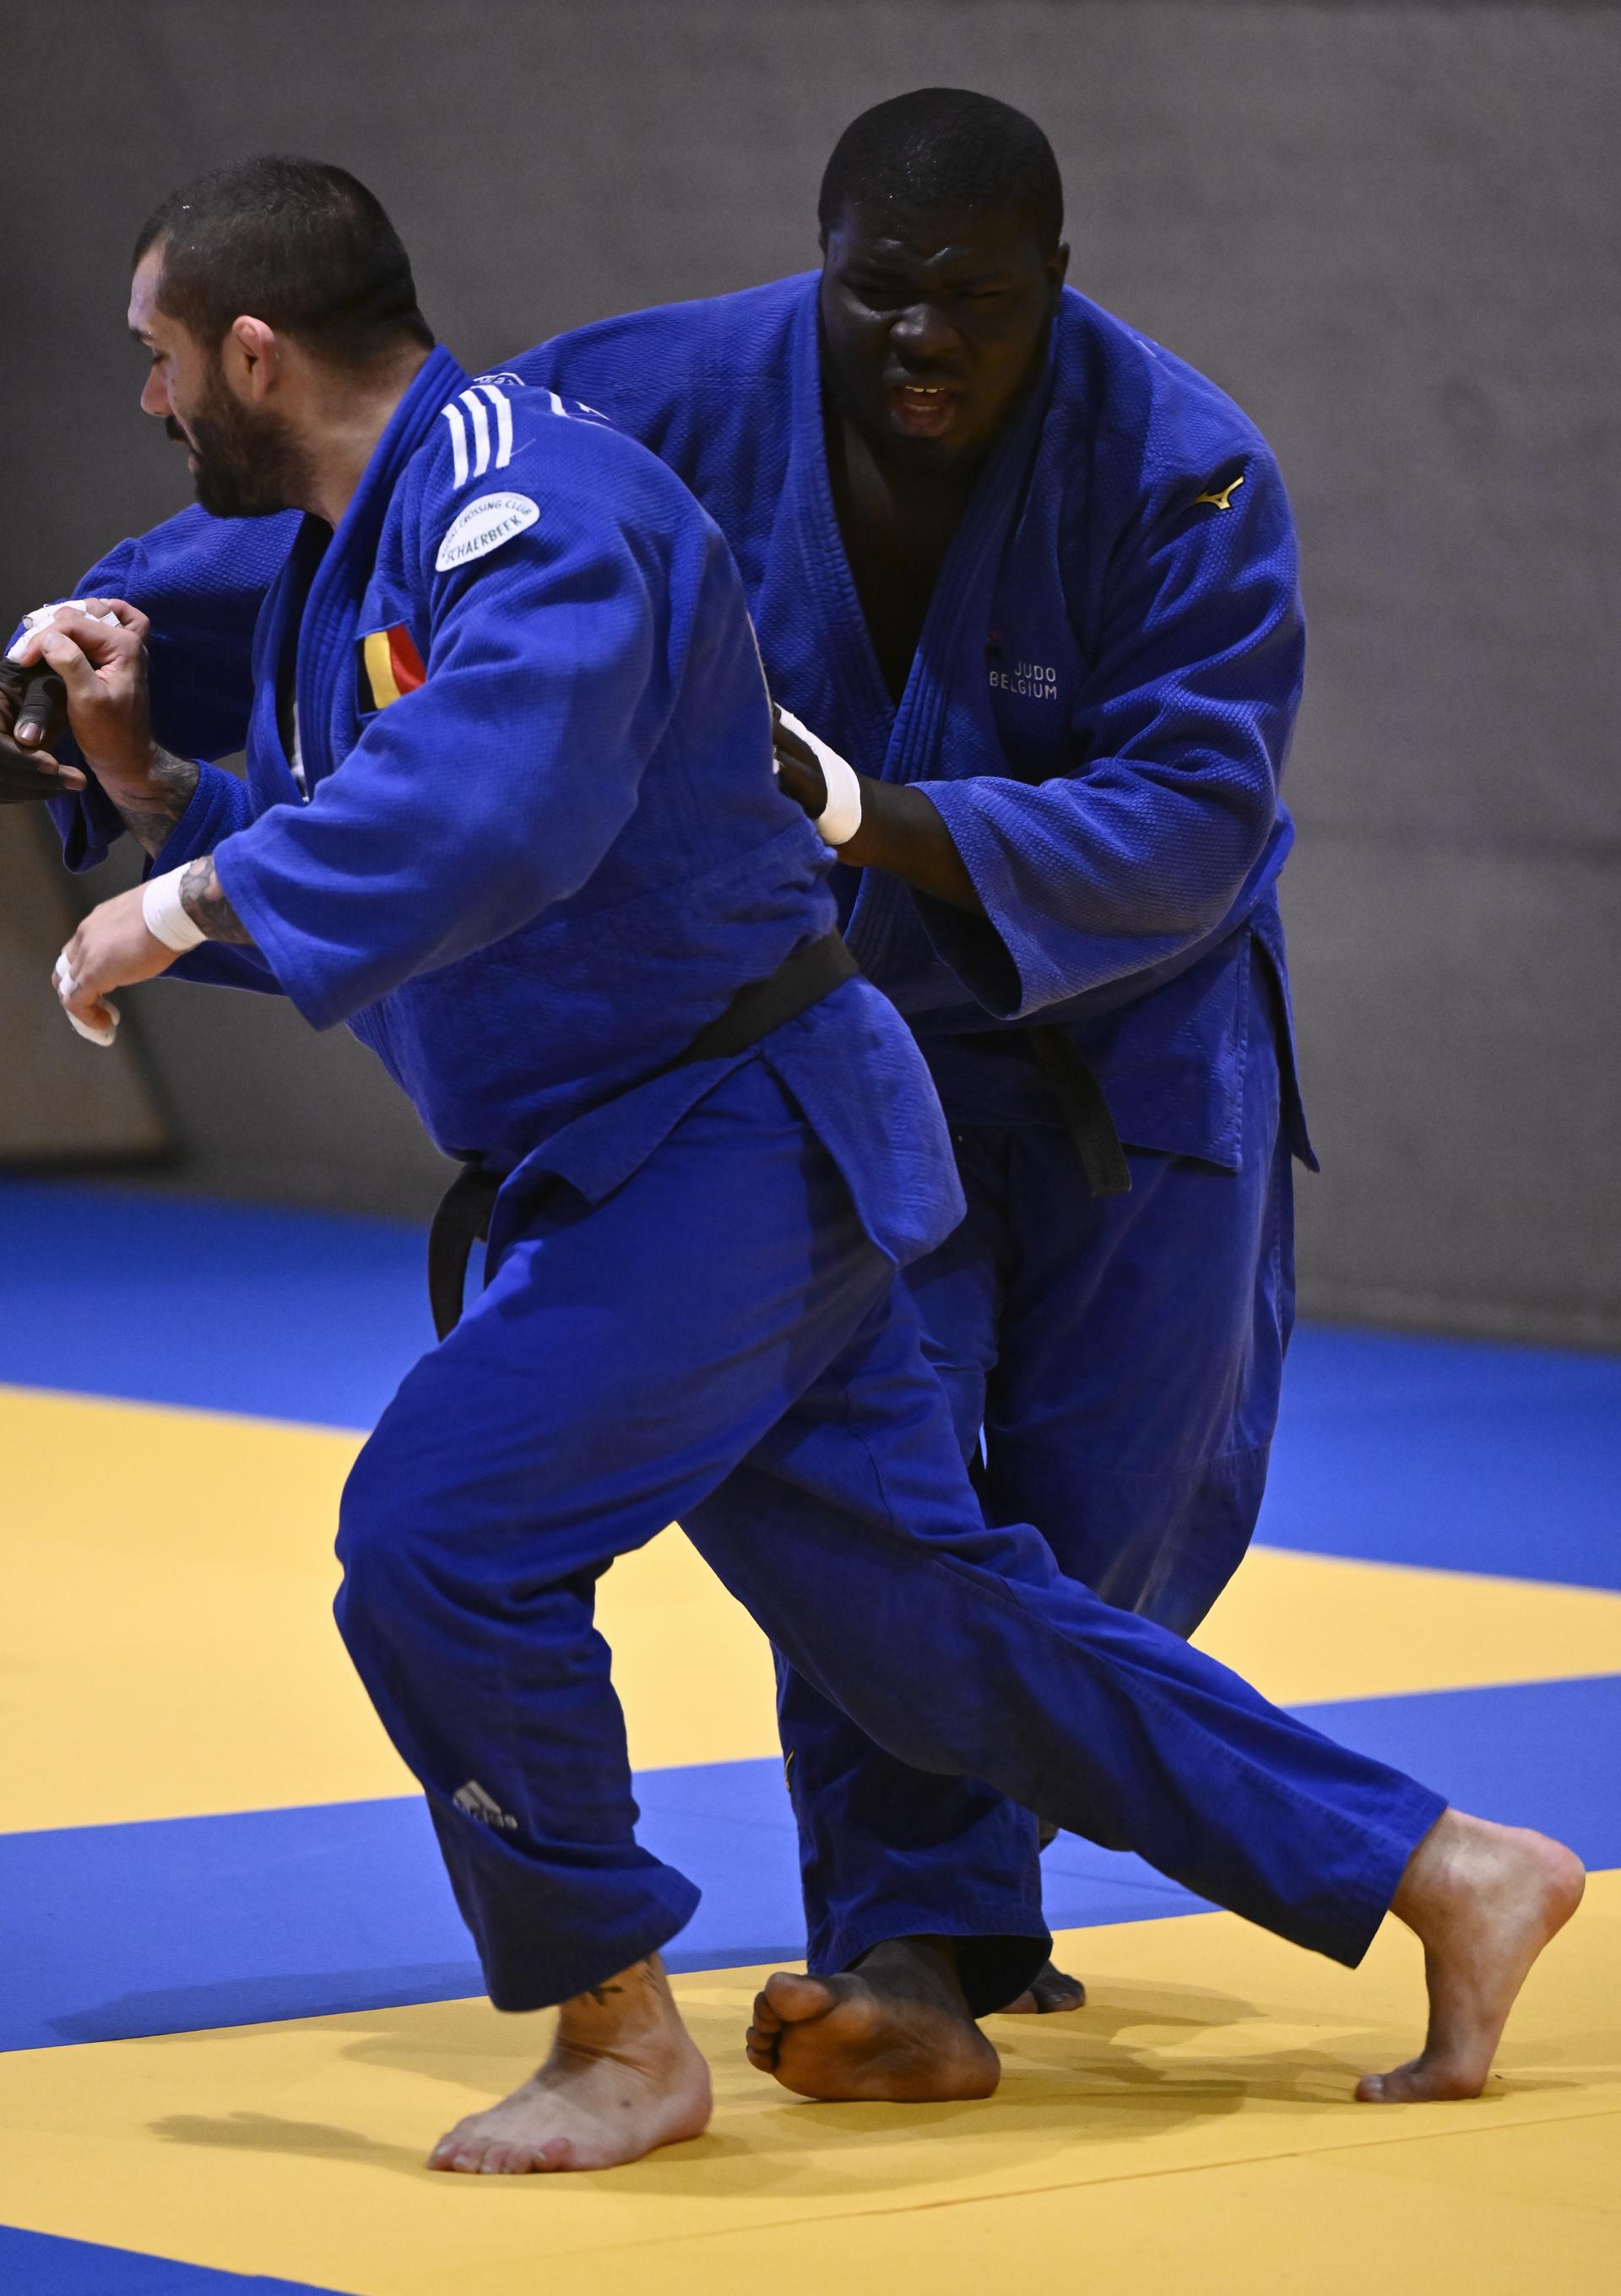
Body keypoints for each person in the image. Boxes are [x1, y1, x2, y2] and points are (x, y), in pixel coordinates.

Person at [15, 155, 1582, 2175]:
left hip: (731, 1139)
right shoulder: (363, 542)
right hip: (675, 1144)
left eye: (156, 361)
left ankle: (611, 2027)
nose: (146, 403)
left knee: (437, 1537)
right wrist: (159, 788)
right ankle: (1447, 1865)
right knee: (934, 1625)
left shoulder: (530, 504)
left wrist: (193, 898)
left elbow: (486, 804)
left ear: (251, 350)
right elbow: (380, 816)